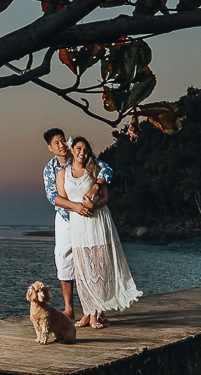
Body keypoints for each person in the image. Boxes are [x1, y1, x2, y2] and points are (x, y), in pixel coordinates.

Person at [56, 136, 142, 328]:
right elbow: (61, 199)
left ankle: (96, 313)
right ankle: (87, 312)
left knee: (99, 266)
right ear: (71, 150)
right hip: (78, 222)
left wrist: (93, 207)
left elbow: (104, 198)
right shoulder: (62, 173)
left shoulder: (95, 170)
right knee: (83, 269)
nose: (82, 153)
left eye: (86, 150)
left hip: (96, 221)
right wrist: (78, 207)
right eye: (78, 148)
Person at [41, 127, 114, 320]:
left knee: (93, 260)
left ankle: (96, 309)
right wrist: (75, 206)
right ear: (50, 147)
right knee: (64, 258)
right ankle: (69, 309)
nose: (62, 145)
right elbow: (52, 196)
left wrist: (97, 185)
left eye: (63, 140)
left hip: (88, 218)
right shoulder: (50, 169)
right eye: (56, 143)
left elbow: (107, 170)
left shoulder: (80, 156)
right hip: (65, 218)